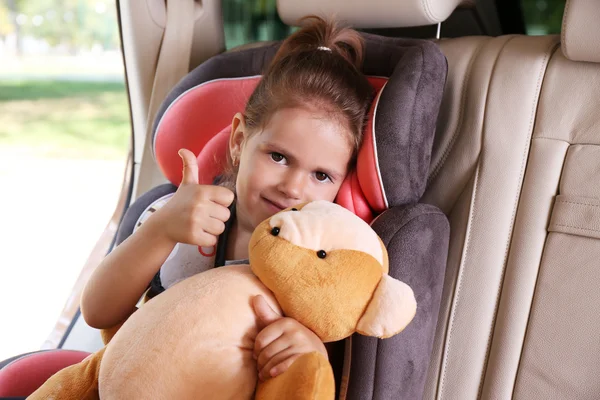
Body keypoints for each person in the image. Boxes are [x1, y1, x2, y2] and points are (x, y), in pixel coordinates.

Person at [80, 15, 374, 387]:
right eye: (279, 157)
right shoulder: (179, 217)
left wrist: (311, 349)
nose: (293, 188)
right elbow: (96, 310)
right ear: (238, 141)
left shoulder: (321, 264)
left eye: (321, 175)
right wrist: (160, 231)